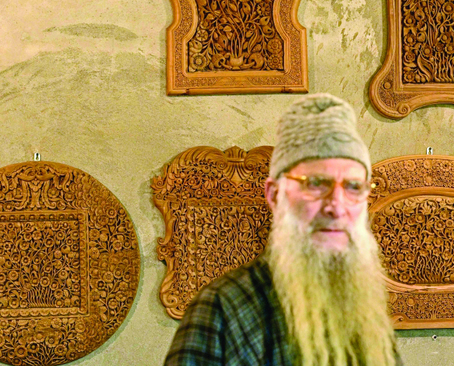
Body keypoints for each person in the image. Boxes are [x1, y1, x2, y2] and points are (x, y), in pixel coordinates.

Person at [163, 93, 400, 366]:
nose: (336, 206)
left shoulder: (364, 305)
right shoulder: (223, 309)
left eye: (353, 187)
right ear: (275, 195)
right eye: (315, 184)